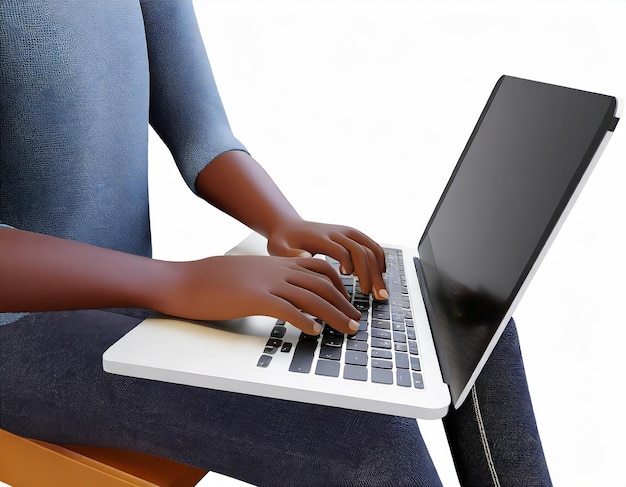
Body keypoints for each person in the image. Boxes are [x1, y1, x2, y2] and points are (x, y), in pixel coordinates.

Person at [0, 1, 552, 485]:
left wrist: (284, 223)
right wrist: (178, 282)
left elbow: (203, 134)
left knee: (458, 319)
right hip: (16, 334)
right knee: (358, 437)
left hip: (130, 292)